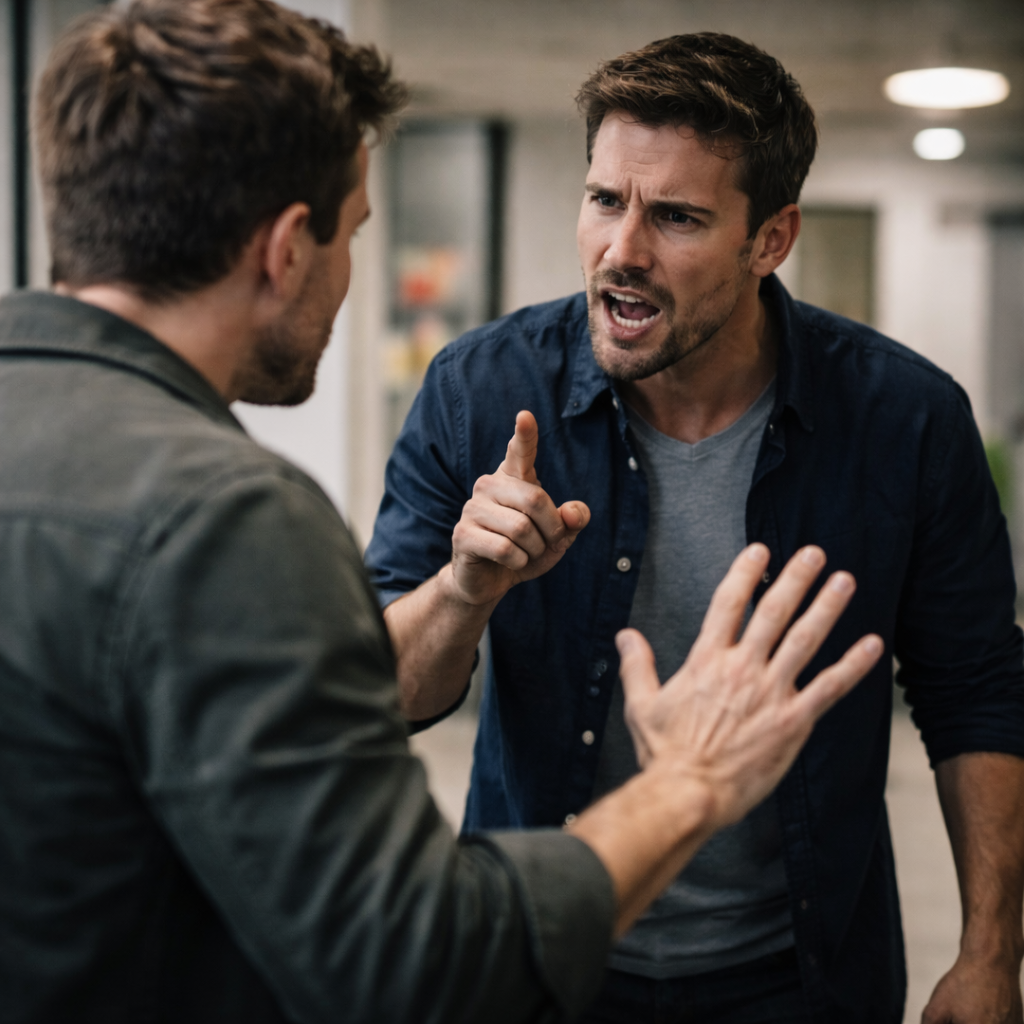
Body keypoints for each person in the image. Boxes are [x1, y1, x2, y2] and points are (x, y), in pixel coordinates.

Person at [0, 4, 884, 1023]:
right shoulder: (224, 518)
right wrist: (690, 778)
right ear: (287, 250)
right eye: (353, 233)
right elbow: (414, 963)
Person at [366, 32, 1024, 1024]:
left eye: (675, 216)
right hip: (541, 957)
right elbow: (385, 697)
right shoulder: (479, 389)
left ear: (771, 239)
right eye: (604, 200)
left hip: (799, 974)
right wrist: (464, 590)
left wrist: (990, 955)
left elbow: (975, 691)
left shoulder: (905, 417)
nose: (621, 252)